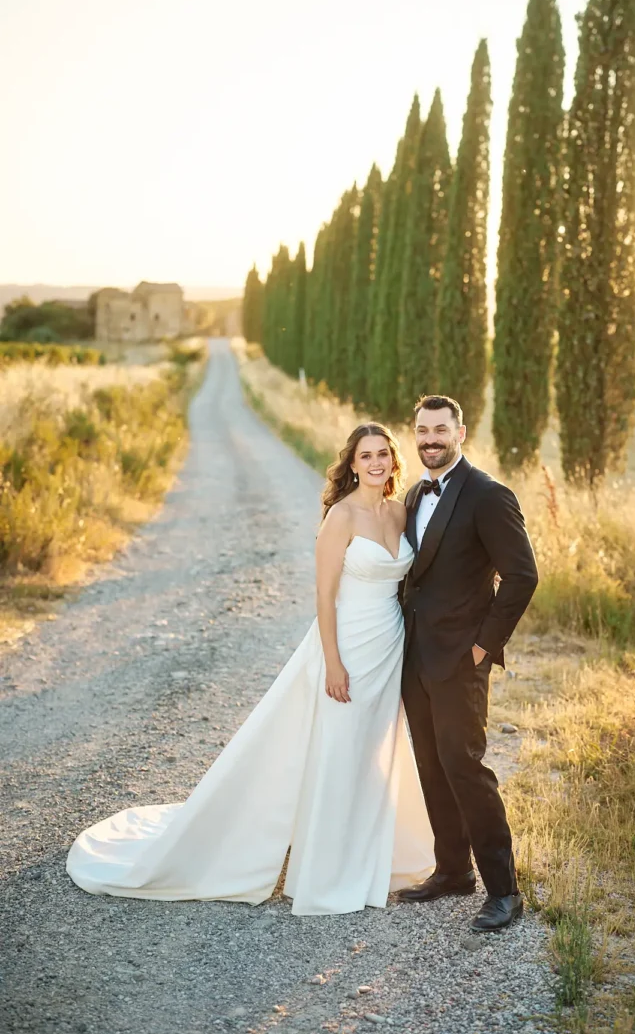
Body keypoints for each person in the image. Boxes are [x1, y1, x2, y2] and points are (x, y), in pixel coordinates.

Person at [67, 423, 434, 916]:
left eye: (383, 454)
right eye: (365, 455)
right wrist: (333, 662)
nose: (375, 463)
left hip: (389, 645)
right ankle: (327, 874)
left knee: (375, 751)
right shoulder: (341, 518)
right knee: (338, 750)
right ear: (351, 464)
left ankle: (371, 857)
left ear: (393, 461)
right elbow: (324, 597)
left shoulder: (400, 511)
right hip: (347, 644)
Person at [398, 394, 538, 932]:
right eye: (422, 430)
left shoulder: (488, 494)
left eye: (440, 429)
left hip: (461, 661)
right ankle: (453, 871)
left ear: (461, 433)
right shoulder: (413, 493)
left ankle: (505, 890)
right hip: (415, 659)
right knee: (432, 767)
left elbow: (522, 577)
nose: (430, 439)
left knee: (467, 768)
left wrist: (482, 649)